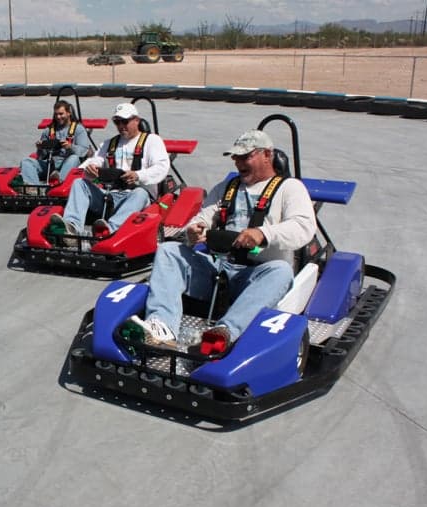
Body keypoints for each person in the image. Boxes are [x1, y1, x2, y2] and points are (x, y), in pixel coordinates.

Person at [132, 129, 317, 352]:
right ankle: (161, 327)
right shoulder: (227, 188)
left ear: (267, 155)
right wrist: (194, 230)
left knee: (281, 270)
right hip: (219, 268)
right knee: (169, 250)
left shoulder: (290, 188)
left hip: (258, 273)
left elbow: (304, 227)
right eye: (236, 157)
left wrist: (263, 234)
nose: (238, 163)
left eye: (245, 157)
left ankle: (223, 332)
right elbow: (203, 216)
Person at [49, 102, 169, 238]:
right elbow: (95, 159)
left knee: (140, 193)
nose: (121, 126)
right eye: (117, 122)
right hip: (110, 195)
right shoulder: (109, 143)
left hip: (136, 196)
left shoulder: (152, 141)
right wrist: (91, 167)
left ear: (137, 120)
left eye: (125, 121)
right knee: (79, 184)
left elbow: (162, 167)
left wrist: (137, 175)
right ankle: (72, 227)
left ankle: (108, 230)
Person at [19, 100, 90, 186]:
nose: (58, 117)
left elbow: (84, 151)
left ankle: (59, 181)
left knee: (74, 158)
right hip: (51, 164)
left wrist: (70, 146)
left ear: (68, 113)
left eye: (61, 114)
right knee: (26, 161)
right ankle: (34, 188)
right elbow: (41, 157)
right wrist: (41, 148)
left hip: (69, 163)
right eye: (56, 114)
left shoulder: (79, 129)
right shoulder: (48, 130)